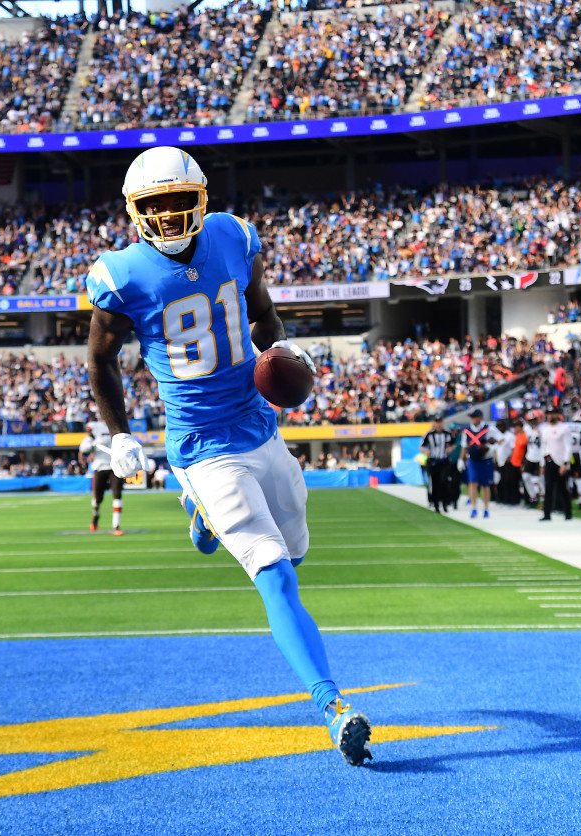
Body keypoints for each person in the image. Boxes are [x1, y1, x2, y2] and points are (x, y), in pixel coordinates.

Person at [85, 146, 371, 766]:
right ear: (135, 211)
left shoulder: (235, 237)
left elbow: (263, 311)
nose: (166, 218)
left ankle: (199, 513)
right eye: (153, 207)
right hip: (201, 443)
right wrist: (120, 433)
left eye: (178, 202)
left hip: (260, 425)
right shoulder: (121, 274)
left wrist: (286, 354)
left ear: (202, 200)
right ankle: (334, 707)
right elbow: (101, 359)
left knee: (297, 548)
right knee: (277, 575)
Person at [78, 418, 125, 534]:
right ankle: (96, 515)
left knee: (117, 495)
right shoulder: (93, 432)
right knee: (98, 498)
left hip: (115, 466)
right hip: (99, 467)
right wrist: (94, 442)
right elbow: (84, 449)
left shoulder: (118, 427)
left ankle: (116, 526)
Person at [460, 409, 503, 519]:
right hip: (473, 460)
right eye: (472, 417)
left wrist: (492, 448)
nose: (472, 419)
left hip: (486, 460)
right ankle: (474, 508)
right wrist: (461, 459)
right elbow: (464, 446)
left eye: (474, 417)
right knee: (472, 483)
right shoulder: (468, 431)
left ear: (480, 417)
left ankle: (486, 508)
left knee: (485, 485)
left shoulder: (489, 428)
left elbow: (501, 439)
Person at [539, 406, 572, 521]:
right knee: (548, 488)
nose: (551, 415)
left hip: (561, 461)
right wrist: (542, 463)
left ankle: (568, 513)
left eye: (553, 413)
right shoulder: (545, 429)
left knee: (563, 488)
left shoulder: (564, 428)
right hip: (549, 460)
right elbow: (544, 446)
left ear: (558, 415)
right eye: (549, 413)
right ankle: (546, 514)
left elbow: (568, 446)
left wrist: (565, 463)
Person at [420, 416, 455, 513]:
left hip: (443, 461)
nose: (438, 424)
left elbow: (453, 444)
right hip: (433, 461)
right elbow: (422, 446)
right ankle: (436, 504)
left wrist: (450, 449)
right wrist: (426, 451)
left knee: (444, 481)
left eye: (440, 422)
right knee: (434, 483)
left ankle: (445, 503)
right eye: (436, 422)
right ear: (434, 423)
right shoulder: (429, 435)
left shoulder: (447, 434)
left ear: (442, 423)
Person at [522, 411, 544, 507]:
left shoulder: (544, 428)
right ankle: (533, 497)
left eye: (534, 420)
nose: (533, 422)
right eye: (531, 420)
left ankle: (545, 499)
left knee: (541, 479)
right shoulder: (526, 428)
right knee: (526, 477)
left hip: (541, 457)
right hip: (530, 456)